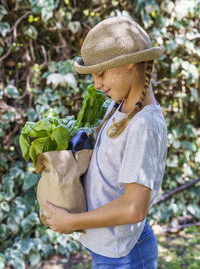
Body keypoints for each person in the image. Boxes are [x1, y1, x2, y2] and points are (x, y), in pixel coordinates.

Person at [45, 16, 168, 268]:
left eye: (100, 74)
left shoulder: (144, 124)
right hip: (110, 248)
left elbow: (134, 208)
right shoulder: (117, 106)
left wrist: (72, 222)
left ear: (131, 63)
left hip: (125, 255)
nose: (96, 84)